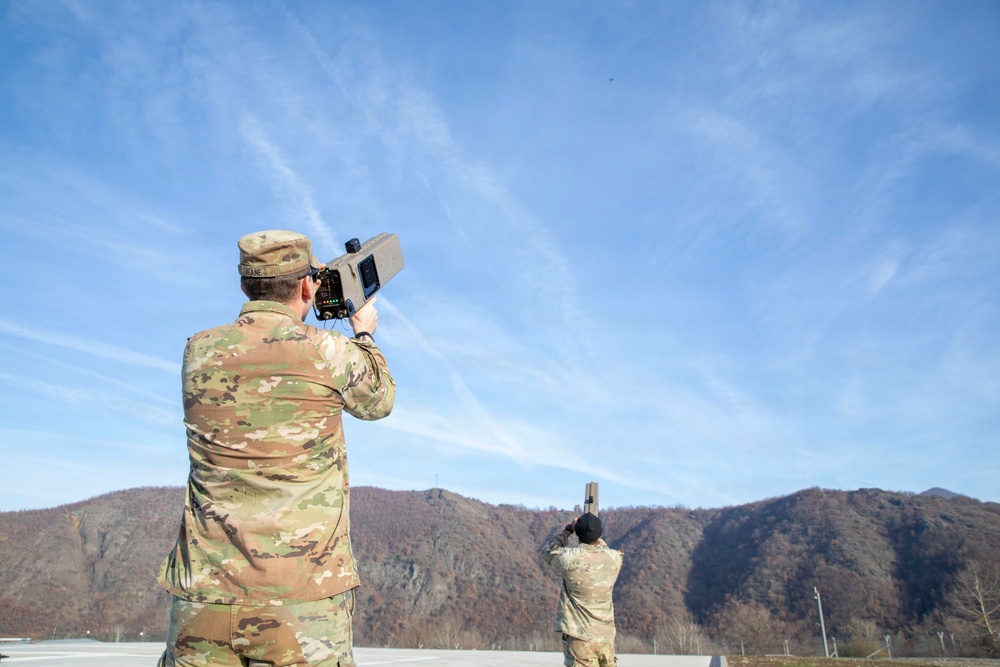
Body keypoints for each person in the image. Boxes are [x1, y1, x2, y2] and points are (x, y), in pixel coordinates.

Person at [156, 230, 396, 667]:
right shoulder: (328, 351)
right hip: (301, 602)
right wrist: (364, 333)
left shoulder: (198, 350)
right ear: (307, 285)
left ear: (246, 284)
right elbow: (379, 400)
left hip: (205, 595)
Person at [542, 512, 624, 667]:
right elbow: (603, 548)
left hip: (580, 639)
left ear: (578, 534)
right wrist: (593, 531)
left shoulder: (569, 558)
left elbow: (548, 550)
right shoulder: (614, 559)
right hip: (606, 639)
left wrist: (568, 530)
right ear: (599, 535)